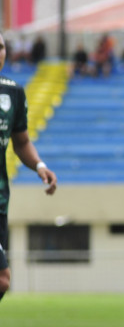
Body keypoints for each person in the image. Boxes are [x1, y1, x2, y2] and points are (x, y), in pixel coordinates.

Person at [0, 30, 58, 304]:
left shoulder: (12, 91)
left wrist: (39, 165)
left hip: (0, 199)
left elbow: (21, 141)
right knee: (2, 278)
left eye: (0, 47)